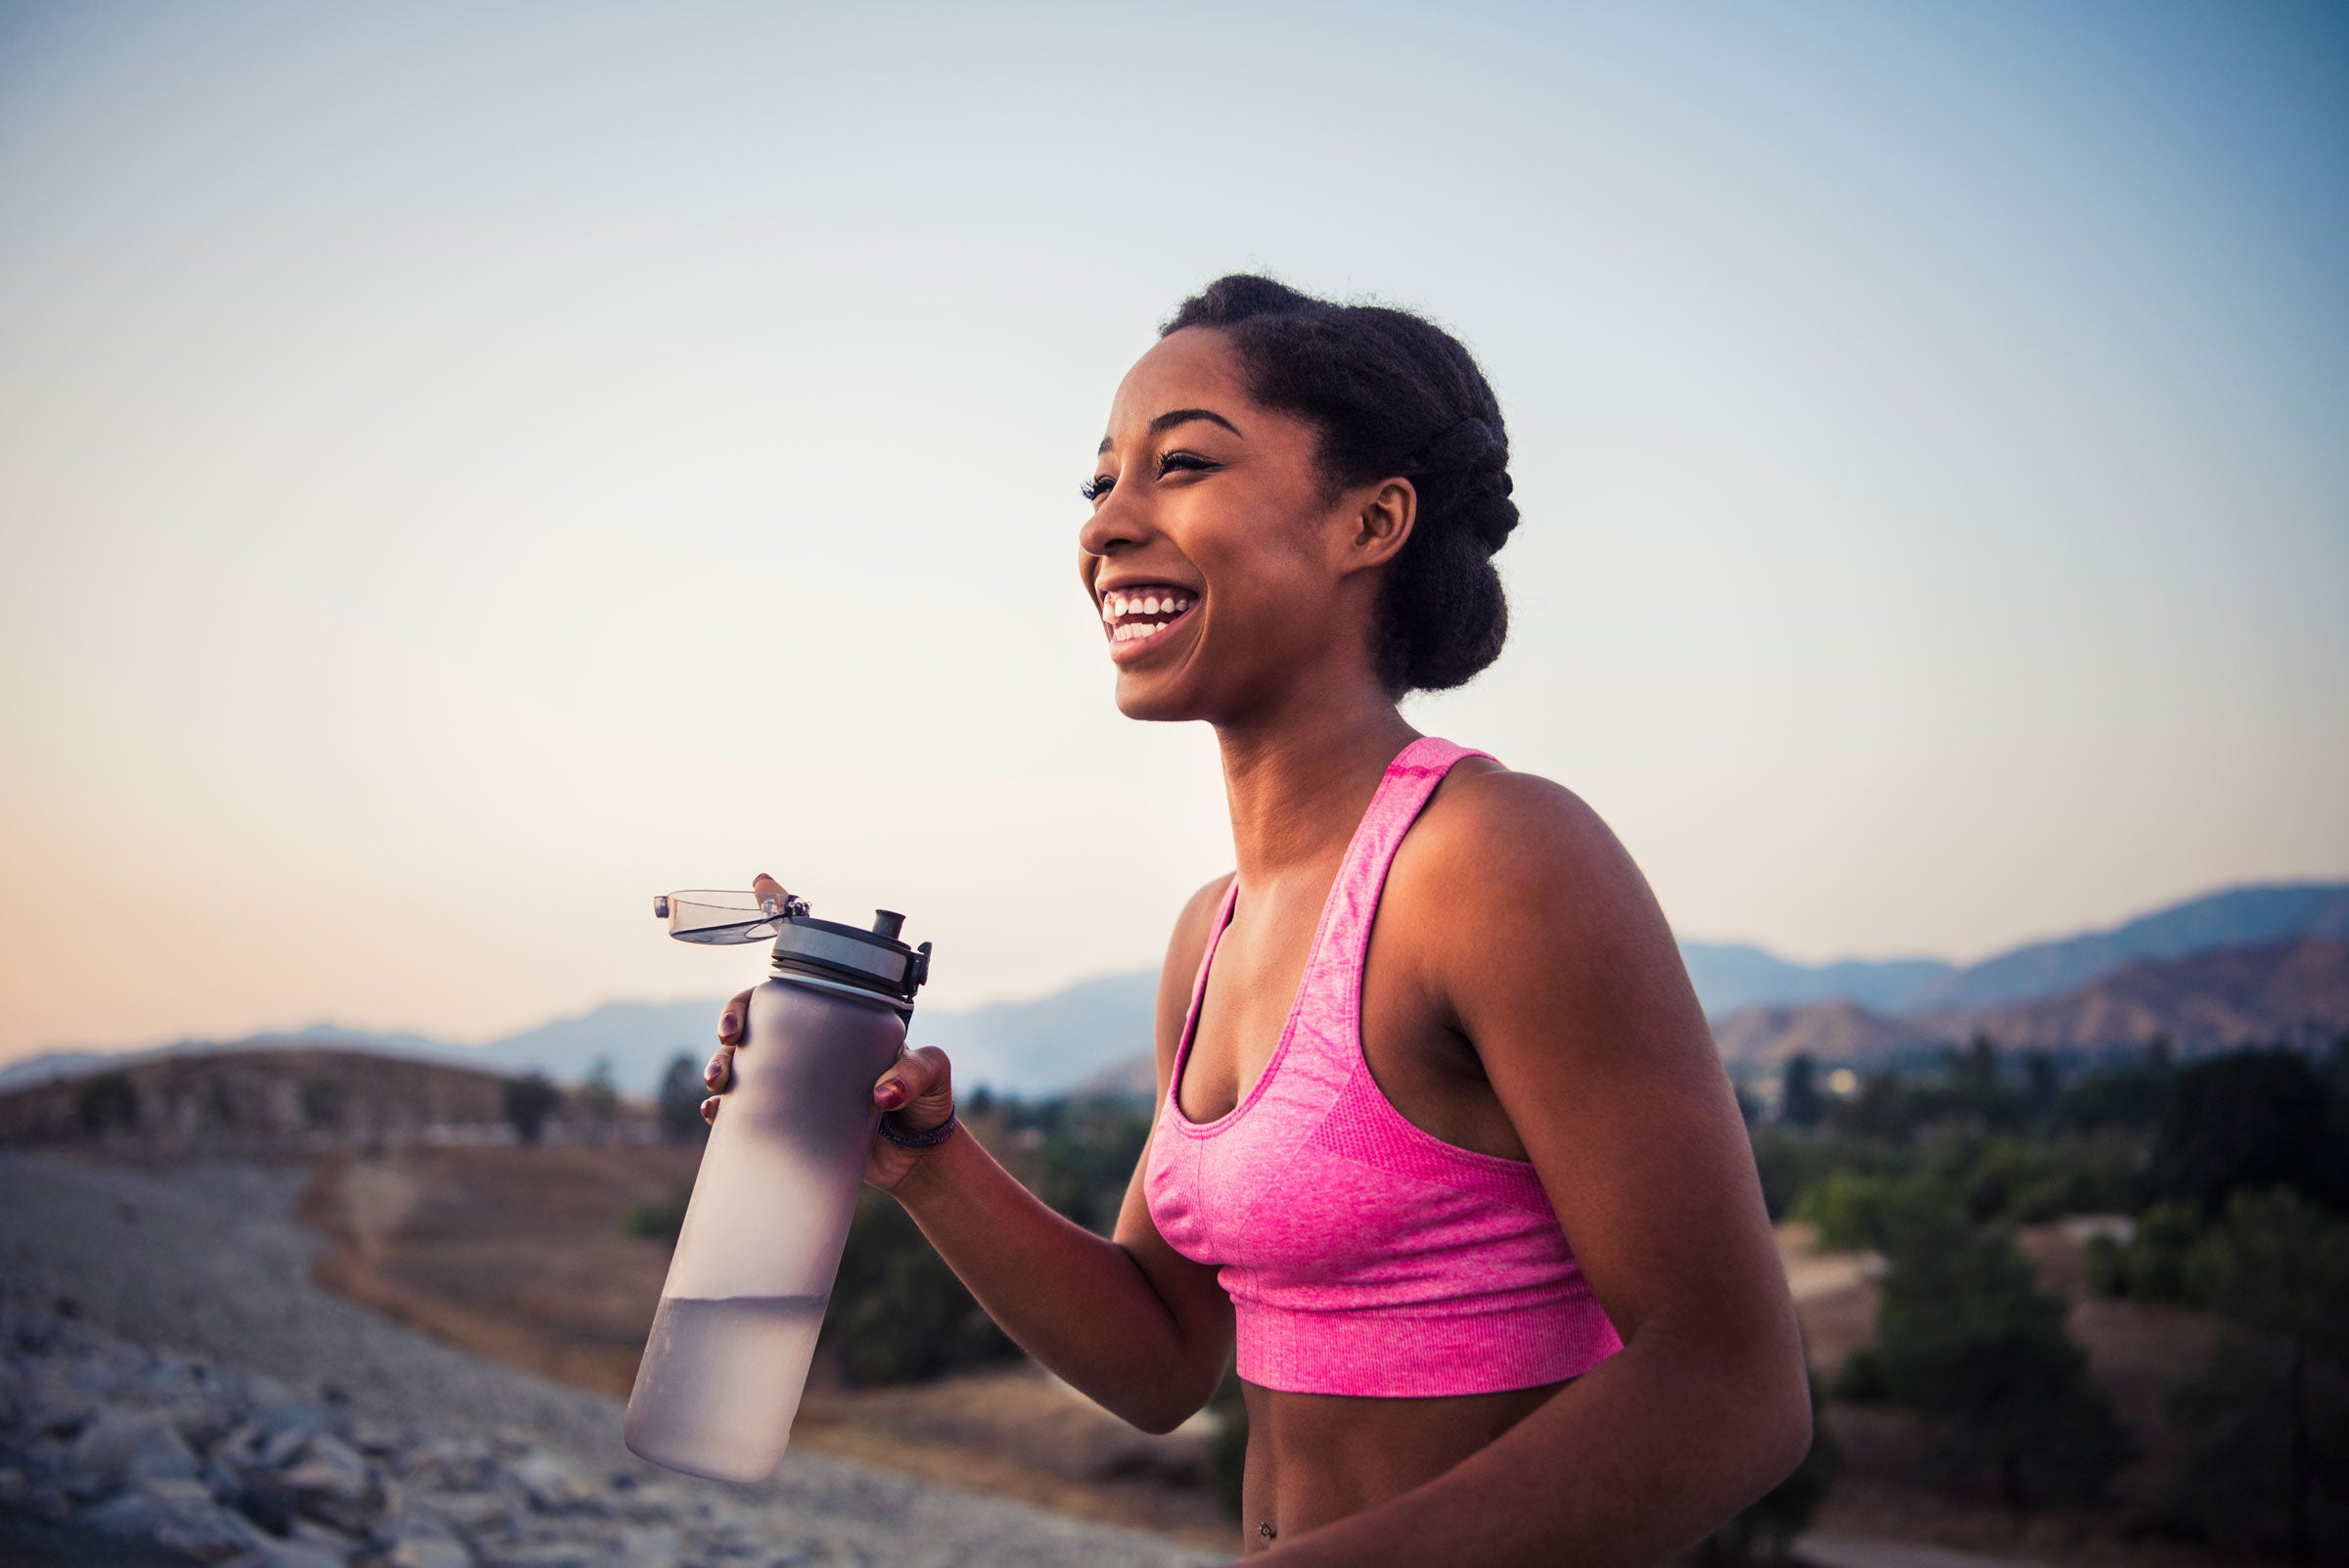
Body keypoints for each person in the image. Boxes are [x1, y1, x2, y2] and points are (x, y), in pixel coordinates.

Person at [703, 275, 1811, 1564]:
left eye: (1178, 466)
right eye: (1098, 484)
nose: (1107, 525)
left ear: (1371, 520)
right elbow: (1164, 1355)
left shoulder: (1495, 860)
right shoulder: (1209, 934)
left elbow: (1735, 1388)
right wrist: (923, 1158)